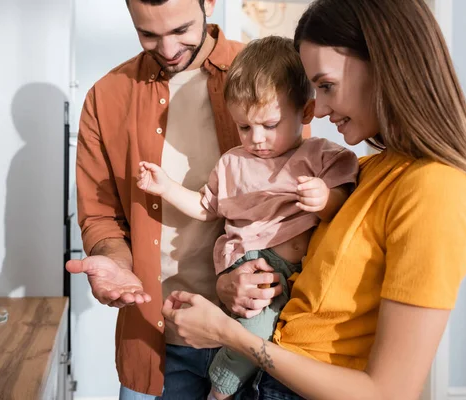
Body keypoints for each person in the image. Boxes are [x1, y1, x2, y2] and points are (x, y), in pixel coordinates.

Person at [161, 0, 466, 399]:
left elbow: (389, 392)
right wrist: (231, 285)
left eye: (326, 86)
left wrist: (227, 334)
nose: (319, 110)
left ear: (386, 64)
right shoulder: (374, 170)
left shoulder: (437, 190)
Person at [66, 0, 292, 398]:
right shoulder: (107, 98)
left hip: (252, 337)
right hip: (157, 344)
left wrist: (254, 278)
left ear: (209, 3)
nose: (168, 50)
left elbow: (290, 201)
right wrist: (116, 261)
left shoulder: (263, 74)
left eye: (182, 30)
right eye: (148, 34)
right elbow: (100, 216)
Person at [136, 35, 358, 400]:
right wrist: (167, 188)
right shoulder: (233, 163)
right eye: (244, 127)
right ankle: (220, 389)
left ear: (304, 112)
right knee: (254, 325)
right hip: (247, 262)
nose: (256, 139)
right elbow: (206, 208)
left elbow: (345, 207)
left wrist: (324, 198)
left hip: (293, 273)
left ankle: (227, 384)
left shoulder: (321, 156)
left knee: (270, 331)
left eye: (269, 125)